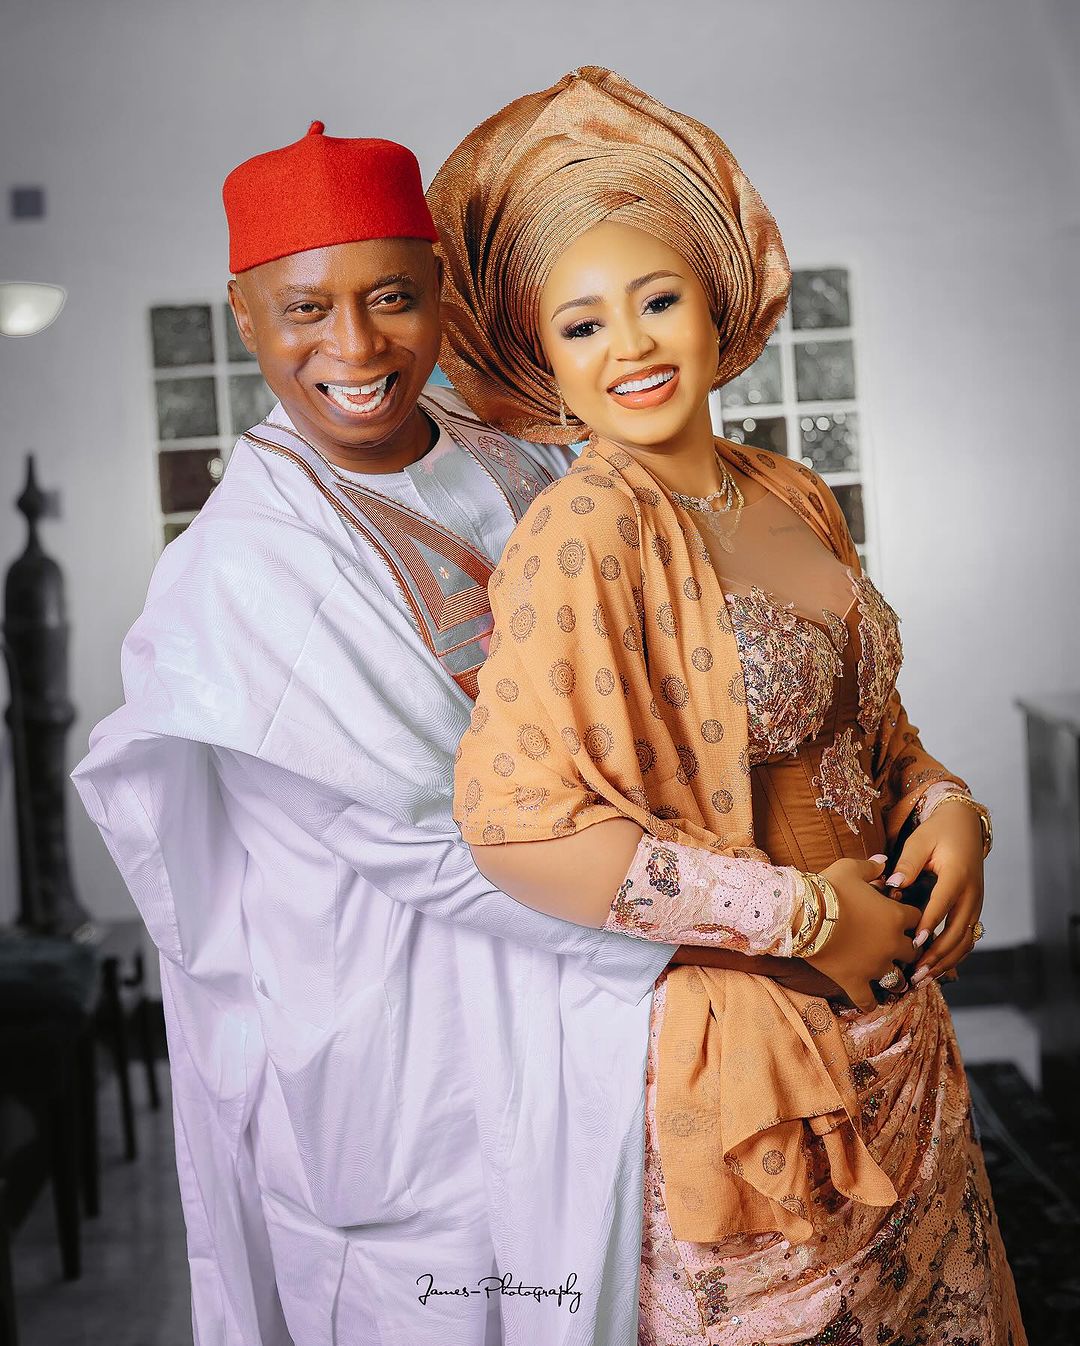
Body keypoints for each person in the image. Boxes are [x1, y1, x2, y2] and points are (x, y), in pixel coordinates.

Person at [431, 67, 1026, 1343]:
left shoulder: (791, 488)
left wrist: (949, 806)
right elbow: (515, 826)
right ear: (544, 359)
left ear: (715, 302)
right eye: (583, 323)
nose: (632, 345)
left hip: (905, 1029)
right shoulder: (581, 533)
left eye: (657, 299)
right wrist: (804, 915)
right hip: (758, 1060)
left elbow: (871, 725)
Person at [72, 121, 688, 1346]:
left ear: (441, 292)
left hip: (584, 991)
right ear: (245, 314)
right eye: (305, 309)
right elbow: (432, 846)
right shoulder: (244, 567)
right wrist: (735, 930)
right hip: (407, 1053)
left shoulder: (518, 456)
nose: (353, 348)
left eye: (391, 298)